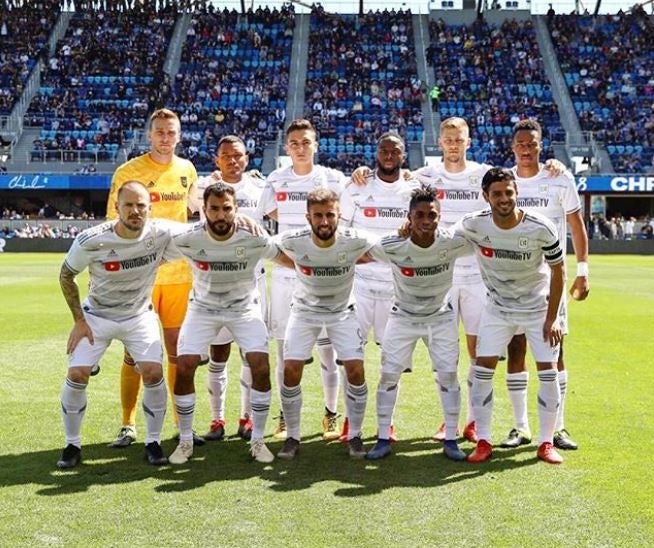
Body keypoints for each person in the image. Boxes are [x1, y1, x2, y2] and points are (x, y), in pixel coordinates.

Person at [56, 182, 177, 469]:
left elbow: (202, 230)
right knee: (77, 373)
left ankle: (153, 442)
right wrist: (79, 321)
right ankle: (72, 445)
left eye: (141, 206)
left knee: (152, 370)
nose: (135, 211)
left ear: (150, 208)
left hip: (139, 315)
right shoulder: (91, 240)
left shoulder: (161, 232)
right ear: (117, 207)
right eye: (128, 205)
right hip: (97, 315)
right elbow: (66, 275)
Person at [168, 183, 289, 465]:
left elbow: (289, 259)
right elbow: (152, 249)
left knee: (260, 364)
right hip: (203, 309)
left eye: (226, 209)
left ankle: (257, 440)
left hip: (244, 309)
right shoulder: (188, 238)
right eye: (214, 209)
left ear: (236, 210)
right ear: (204, 210)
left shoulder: (255, 238)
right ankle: (185, 440)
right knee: (184, 365)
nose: (220, 215)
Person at [457, 167, 566, 465]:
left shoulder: (540, 227)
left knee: (547, 370)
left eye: (508, 192)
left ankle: (545, 442)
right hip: (498, 308)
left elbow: (559, 270)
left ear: (517, 193)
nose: (504, 199)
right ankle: (484, 440)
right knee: (482, 370)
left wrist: (553, 317)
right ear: (486, 197)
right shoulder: (473, 224)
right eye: (497, 194)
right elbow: (443, 240)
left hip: (537, 308)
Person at [105, 108, 199, 448]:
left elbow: (192, 214)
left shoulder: (187, 170)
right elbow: (110, 224)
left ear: (178, 135)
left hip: (178, 276)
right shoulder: (128, 172)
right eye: (159, 131)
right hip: (138, 277)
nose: (165, 138)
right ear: (149, 134)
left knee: (177, 350)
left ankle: (179, 422)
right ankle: (127, 424)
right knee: (135, 353)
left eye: (171, 132)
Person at [365, 187, 472, 462]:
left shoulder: (452, 242)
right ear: (409, 218)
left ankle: (450, 439)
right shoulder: (392, 245)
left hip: (441, 317)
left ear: (440, 216)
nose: (426, 221)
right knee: (389, 375)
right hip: (403, 317)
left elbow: (487, 239)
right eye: (420, 215)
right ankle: (382, 438)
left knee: (448, 375)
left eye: (432, 215)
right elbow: (358, 251)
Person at [258, 119, 348, 441]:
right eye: (294, 143)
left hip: (323, 275)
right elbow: (268, 212)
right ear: (286, 147)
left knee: (327, 351)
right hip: (286, 273)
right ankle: (284, 417)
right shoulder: (276, 178)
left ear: (315, 145)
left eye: (305, 142)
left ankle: (330, 414)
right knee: (285, 350)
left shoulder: (331, 178)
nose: (300, 147)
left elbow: (346, 211)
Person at [502, 119, 589, 451]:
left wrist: (583, 270)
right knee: (516, 348)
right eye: (521, 144)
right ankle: (520, 426)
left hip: (550, 280)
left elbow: (576, 226)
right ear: (513, 147)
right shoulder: (505, 182)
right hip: (514, 281)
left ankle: (559, 426)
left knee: (556, 350)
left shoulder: (558, 177)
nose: (526, 149)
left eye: (532, 144)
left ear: (540, 146)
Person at [275, 189, 377, 460]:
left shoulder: (354, 240)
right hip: (304, 312)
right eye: (317, 215)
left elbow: (384, 248)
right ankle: (293, 436)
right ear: (307, 216)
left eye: (329, 215)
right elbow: (266, 248)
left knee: (355, 369)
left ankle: (355, 435)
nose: (324, 221)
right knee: (291, 368)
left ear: (339, 215)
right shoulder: (292, 240)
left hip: (343, 311)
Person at [339, 132, 419, 441]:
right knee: (351, 357)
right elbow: (341, 231)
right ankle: (351, 421)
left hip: (396, 288)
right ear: (376, 153)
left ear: (402, 156)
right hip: (358, 285)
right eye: (383, 150)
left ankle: (387, 423)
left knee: (392, 362)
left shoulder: (413, 189)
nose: (388, 155)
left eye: (394, 151)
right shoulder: (358, 186)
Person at [188, 135, 267, 442]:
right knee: (218, 354)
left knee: (251, 354)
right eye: (226, 156)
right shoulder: (202, 187)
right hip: (213, 282)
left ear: (247, 158)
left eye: (238, 156)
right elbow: (190, 202)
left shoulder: (261, 187)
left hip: (251, 281)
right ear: (217, 159)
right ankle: (217, 419)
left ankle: (246, 418)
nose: (233, 160)